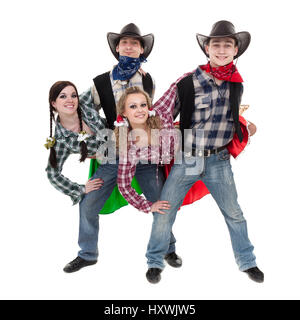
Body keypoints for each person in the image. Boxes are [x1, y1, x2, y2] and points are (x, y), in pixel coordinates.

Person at [144, 20, 264, 284]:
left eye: (227, 45)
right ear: (207, 49)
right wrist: (167, 137)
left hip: (219, 161)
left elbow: (229, 116)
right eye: (216, 45)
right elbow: (160, 112)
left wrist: (245, 125)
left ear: (235, 51)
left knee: (234, 213)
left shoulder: (236, 84)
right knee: (165, 210)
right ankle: (154, 260)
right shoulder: (187, 82)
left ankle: (247, 262)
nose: (221, 50)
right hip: (187, 158)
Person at [62, 24, 181, 273]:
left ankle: (168, 247)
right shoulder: (101, 82)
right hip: (113, 153)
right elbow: (81, 112)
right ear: (117, 48)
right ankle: (87, 254)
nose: (129, 46)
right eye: (124, 42)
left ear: (141, 49)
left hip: (146, 157)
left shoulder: (148, 80)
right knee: (88, 202)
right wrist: (89, 143)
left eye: (135, 43)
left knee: (161, 201)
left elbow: (150, 115)